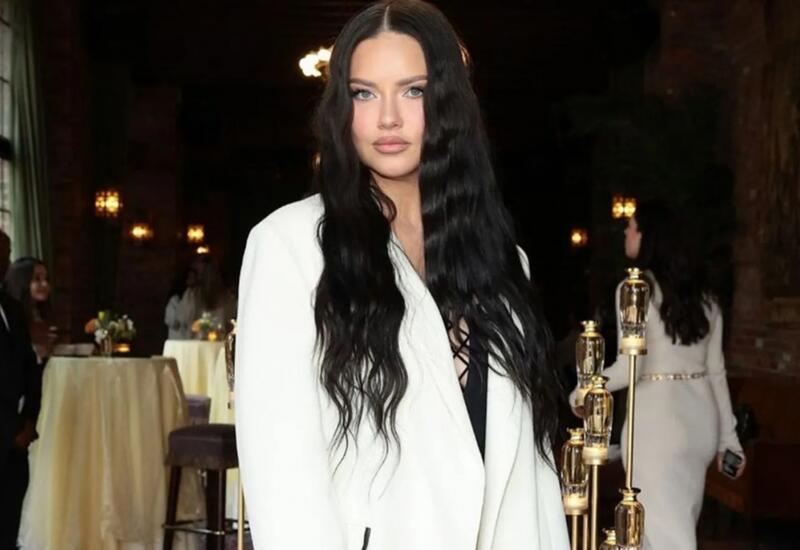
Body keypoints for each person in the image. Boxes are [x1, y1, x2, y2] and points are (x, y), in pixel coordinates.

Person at [235, 2, 568, 549]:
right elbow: (282, 467)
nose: (387, 118)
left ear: (447, 103)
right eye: (364, 93)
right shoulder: (290, 247)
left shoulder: (504, 261)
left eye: (412, 90)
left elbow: (532, 477)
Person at [571, 200, 745, 549]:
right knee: (676, 526)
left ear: (648, 236)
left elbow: (630, 368)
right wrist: (729, 438)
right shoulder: (706, 297)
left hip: (657, 426)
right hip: (700, 426)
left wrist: (584, 391)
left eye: (632, 226)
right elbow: (716, 372)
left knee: (657, 531)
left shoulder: (634, 291)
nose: (626, 231)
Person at [0, 231, 41, 549]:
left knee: (10, 525)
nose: (5, 261)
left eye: (7, 253)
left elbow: (29, 368)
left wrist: (29, 420)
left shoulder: (13, 309)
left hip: (16, 439)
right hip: (4, 430)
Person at [4, 257, 57, 364]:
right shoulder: (10, 315)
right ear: (21, 282)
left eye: (46, 279)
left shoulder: (41, 312)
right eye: (37, 279)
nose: (45, 284)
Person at [178, 255, 236, 337]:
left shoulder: (226, 296)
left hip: (217, 338)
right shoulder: (192, 295)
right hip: (198, 338)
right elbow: (184, 319)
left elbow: (228, 319)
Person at [164, 266, 197, 340]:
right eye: (190, 278)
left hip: (192, 337)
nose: (193, 280)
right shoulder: (174, 300)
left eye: (194, 277)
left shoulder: (196, 296)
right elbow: (171, 321)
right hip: (178, 337)